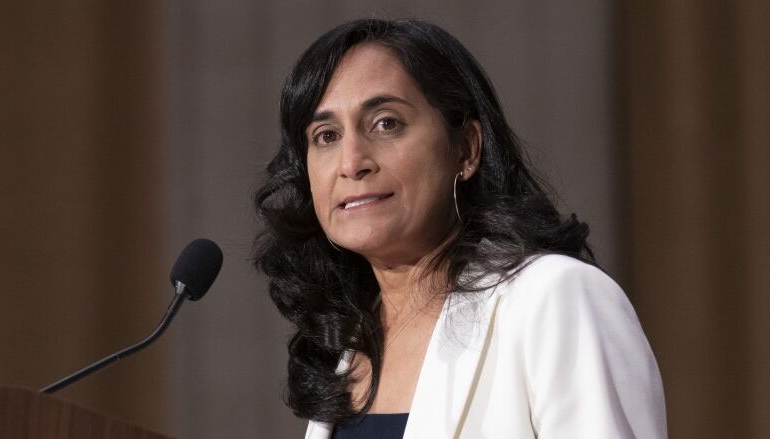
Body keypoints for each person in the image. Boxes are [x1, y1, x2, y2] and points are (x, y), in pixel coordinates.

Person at [254, 18, 666, 439]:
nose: (352, 161)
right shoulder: (345, 346)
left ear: (466, 149)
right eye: (326, 136)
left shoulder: (554, 298)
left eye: (386, 123)